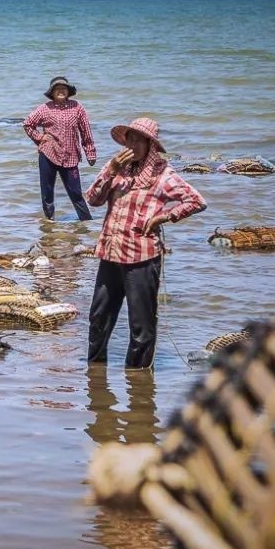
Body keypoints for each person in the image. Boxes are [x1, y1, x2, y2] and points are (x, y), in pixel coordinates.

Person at [84, 117, 206, 368]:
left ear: (151, 145)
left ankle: (138, 380)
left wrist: (166, 216)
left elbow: (196, 201)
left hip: (141, 256)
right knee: (98, 318)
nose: (135, 144)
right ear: (125, 141)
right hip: (110, 252)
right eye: (131, 138)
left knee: (141, 325)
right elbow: (93, 199)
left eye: (141, 140)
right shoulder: (116, 168)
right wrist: (111, 170)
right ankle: (95, 374)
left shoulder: (163, 174)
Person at [23, 76, 97, 221]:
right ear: (52, 92)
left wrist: (90, 152)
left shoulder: (77, 107)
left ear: (68, 91)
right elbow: (27, 124)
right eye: (57, 89)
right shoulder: (44, 109)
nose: (61, 91)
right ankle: (49, 226)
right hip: (48, 154)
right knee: (47, 194)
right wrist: (39, 137)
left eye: (64, 88)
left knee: (76, 193)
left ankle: (88, 224)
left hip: (71, 156)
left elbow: (85, 131)